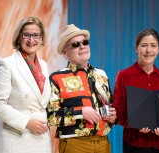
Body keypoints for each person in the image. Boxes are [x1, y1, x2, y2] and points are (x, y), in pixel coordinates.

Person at [46, 24, 117, 153]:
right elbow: (51, 116)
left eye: (84, 42)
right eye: (75, 44)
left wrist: (113, 117)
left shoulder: (101, 75)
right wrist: (80, 112)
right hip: (75, 144)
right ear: (64, 52)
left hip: (103, 143)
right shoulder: (57, 78)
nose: (82, 46)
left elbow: (110, 106)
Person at [0, 16, 52, 153]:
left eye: (36, 35)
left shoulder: (44, 65)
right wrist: (26, 122)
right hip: (16, 138)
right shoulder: (7, 64)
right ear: (19, 37)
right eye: (26, 35)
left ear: (42, 38)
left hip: (41, 139)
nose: (31, 40)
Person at [112, 28, 159, 153]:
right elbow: (117, 111)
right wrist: (135, 123)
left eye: (153, 46)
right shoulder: (123, 76)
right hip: (136, 144)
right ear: (136, 48)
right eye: (144, 45)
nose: (148, 50)